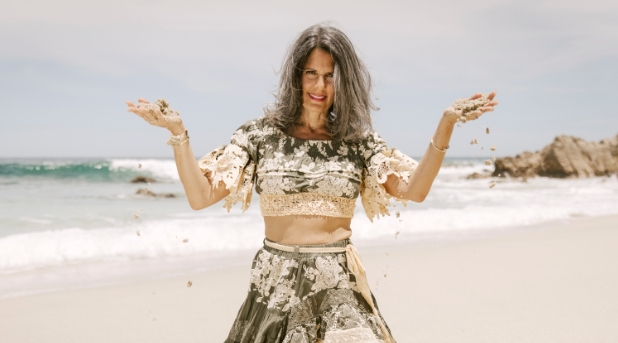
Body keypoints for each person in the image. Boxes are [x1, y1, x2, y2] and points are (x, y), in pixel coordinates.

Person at [127, 23, 497, 343]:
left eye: (330, 75)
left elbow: (414, 190)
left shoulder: (357, 142)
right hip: (274, 287)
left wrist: (445, 125)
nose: (319, 84)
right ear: (296, 76)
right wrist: (179, 135)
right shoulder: (259, 136)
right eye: (311, 73)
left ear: (344, 81)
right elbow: (200, 195)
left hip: (338, 286)